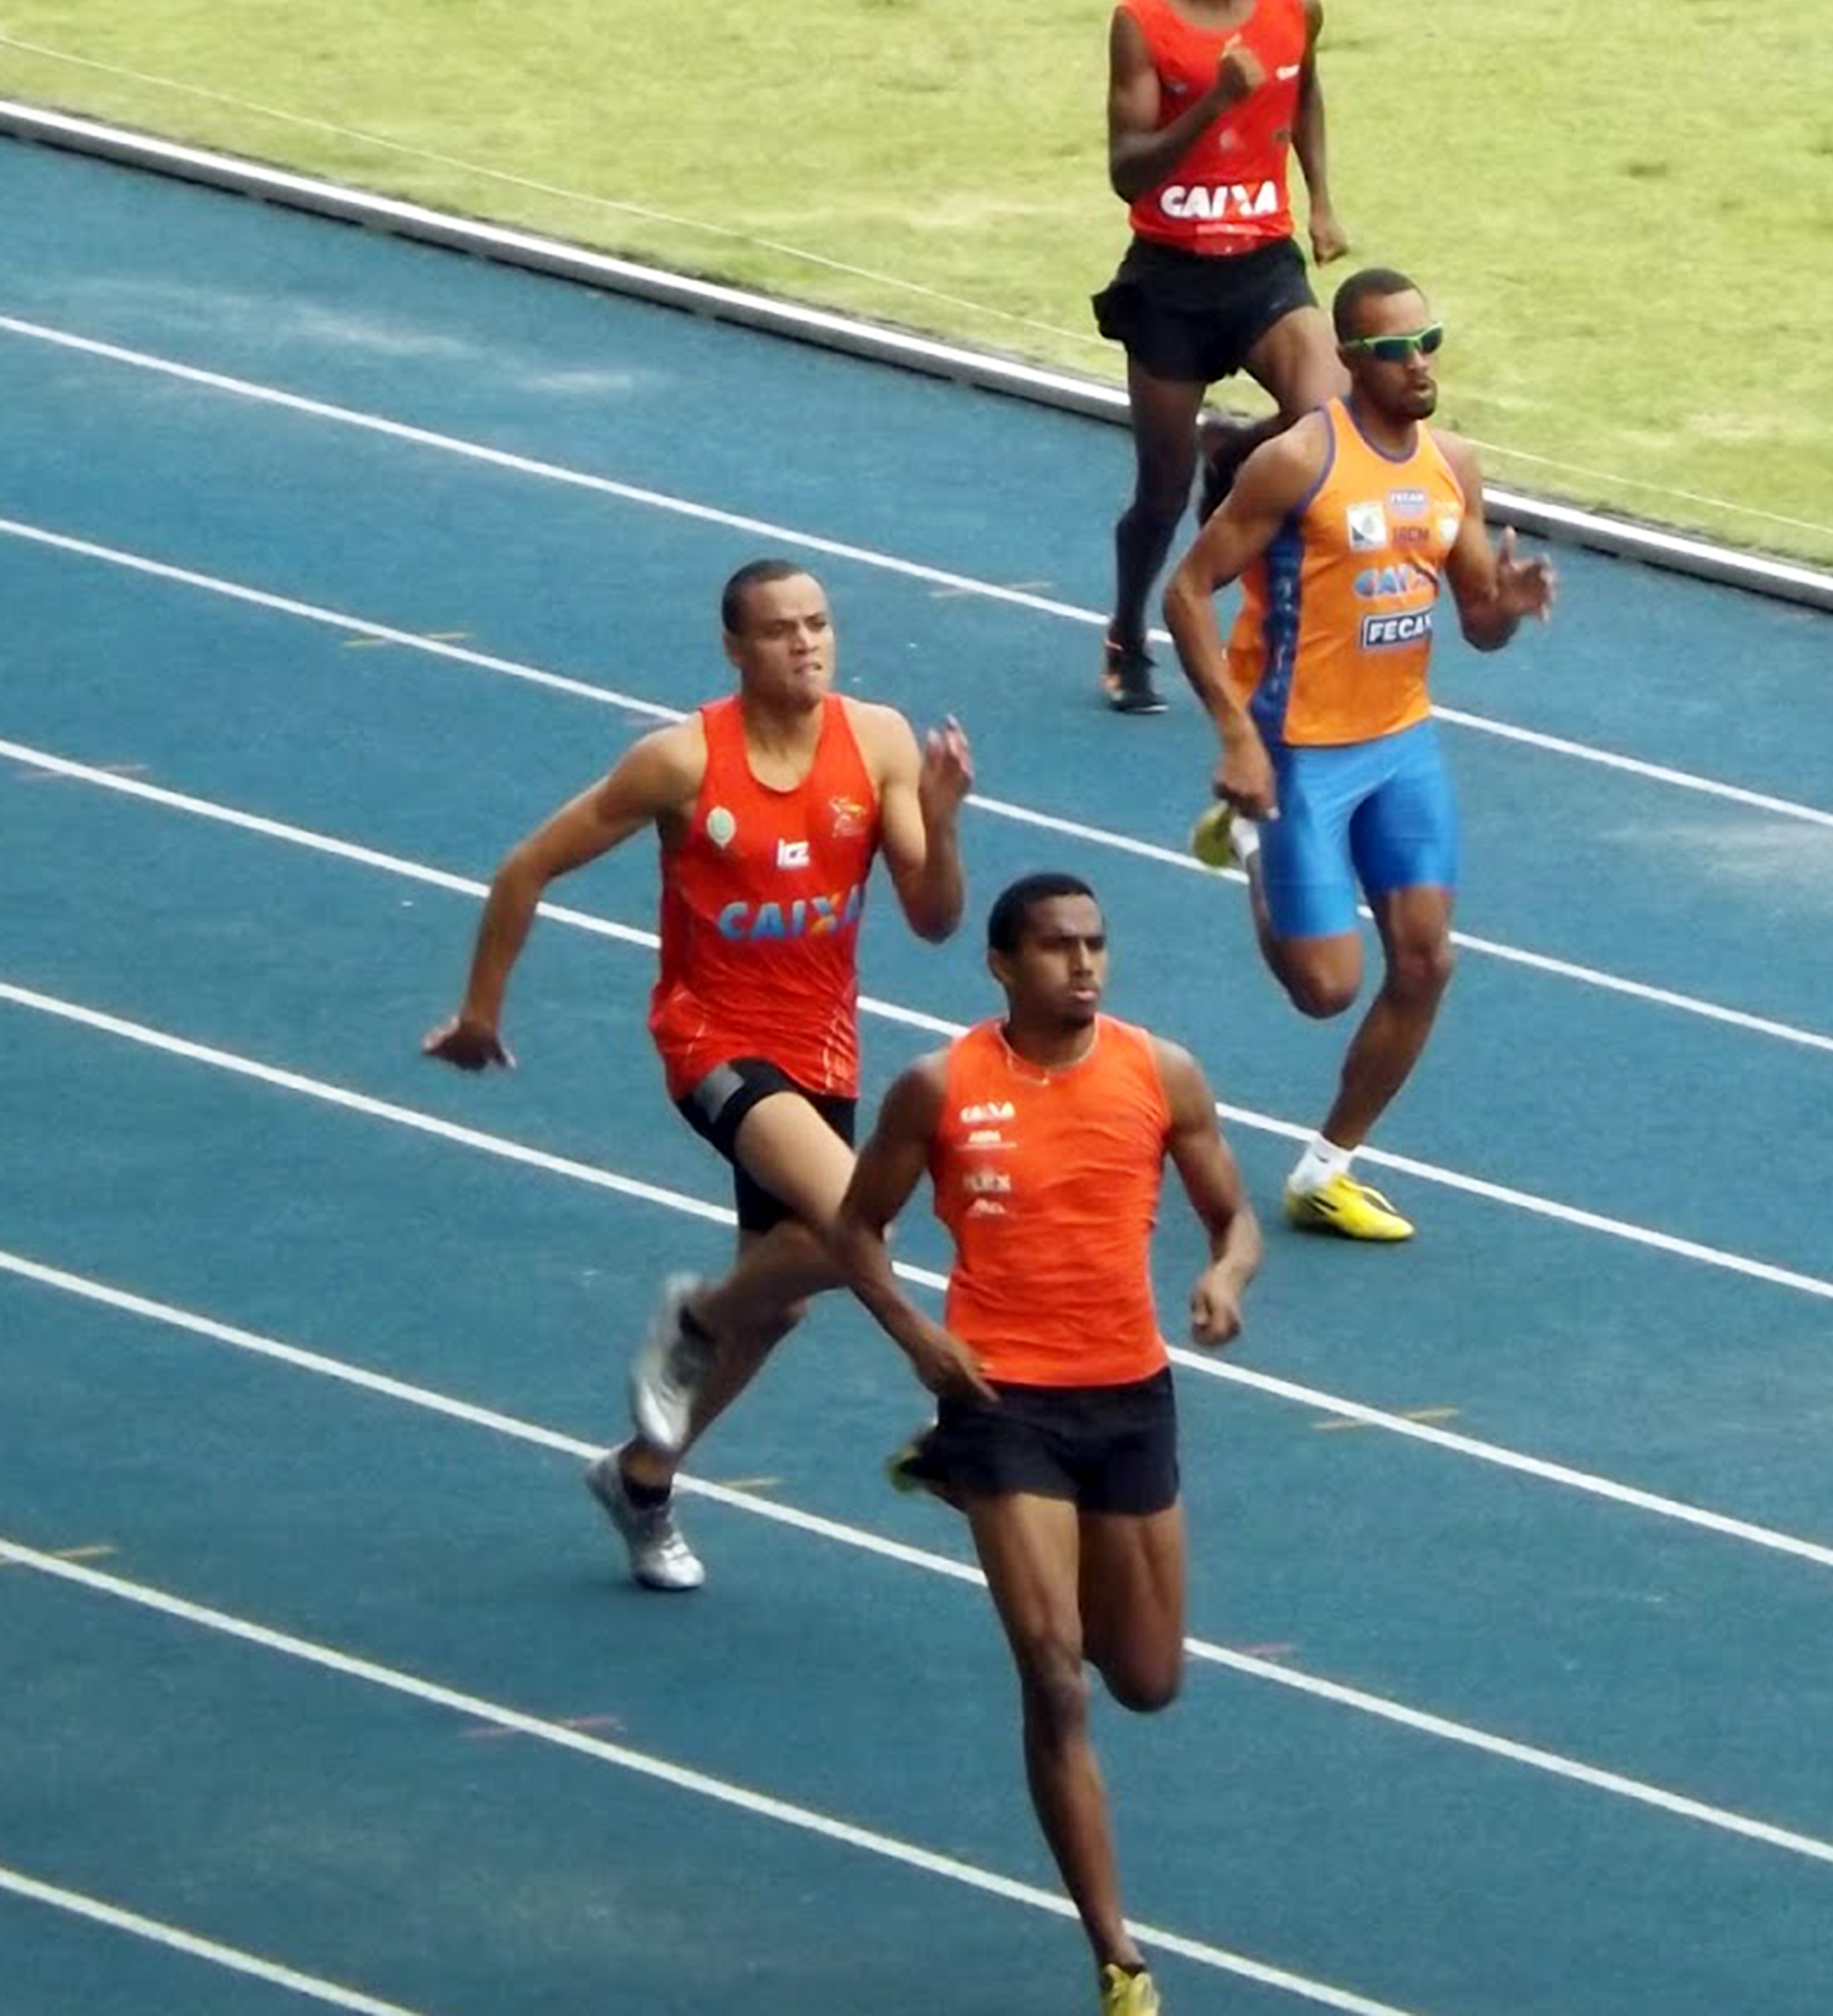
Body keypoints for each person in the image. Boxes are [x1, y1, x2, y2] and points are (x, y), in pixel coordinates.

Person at [423, 557, 971, 1592]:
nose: (807, 643)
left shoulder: (882, 742)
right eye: (779, 630)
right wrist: (481, 1015)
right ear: (735, 648)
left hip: (823, 1046)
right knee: (862, 1225)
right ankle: (720, 1333)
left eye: (819, 624)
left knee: (785, 1297)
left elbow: (936, 920)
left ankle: (643, 1475)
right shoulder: (681, 763)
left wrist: (941, 823)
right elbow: (523, 869)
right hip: (712, 1039)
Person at [829, 871, 1259, 2016]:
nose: (1084, 965)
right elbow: (854, 1226)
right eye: (1060, 948)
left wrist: (1225, 1275)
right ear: (1003, 966)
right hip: (1003, 1396)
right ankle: (1119, 1955)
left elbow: (1237, 1215)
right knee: (1057, 1680)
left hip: (1128, 1398)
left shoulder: (1159, 1073)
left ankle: (952, 1474)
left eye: (1097, 945)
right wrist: (920, 1336)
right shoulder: (942, 1086)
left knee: (1150, 1681)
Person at [1158, 267, 1556, 1242]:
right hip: (1299, 752)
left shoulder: (1451, 464)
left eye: (1429, 344)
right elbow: (1186, 592)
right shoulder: (1298, 462)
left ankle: (1326, 1169)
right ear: (1349, 360)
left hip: (1401, 743)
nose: (1418, 365)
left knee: (1427, 963)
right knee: (1325, 988)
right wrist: (1237, 736)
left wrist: (1507, 606)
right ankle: (1247, 842)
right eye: (1393, 351)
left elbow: (1479, 624)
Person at [1093, 0, 1351, 717]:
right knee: (1161, 494)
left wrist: (1320, 201)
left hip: (1263, 268)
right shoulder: (1142, 21)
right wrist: (1210, 102)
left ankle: (1237, 452)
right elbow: (1127, 171)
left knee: (1331, 423)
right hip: (1170, 278)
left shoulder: (1292, 5)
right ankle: (1129, 627)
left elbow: (1304, 91)